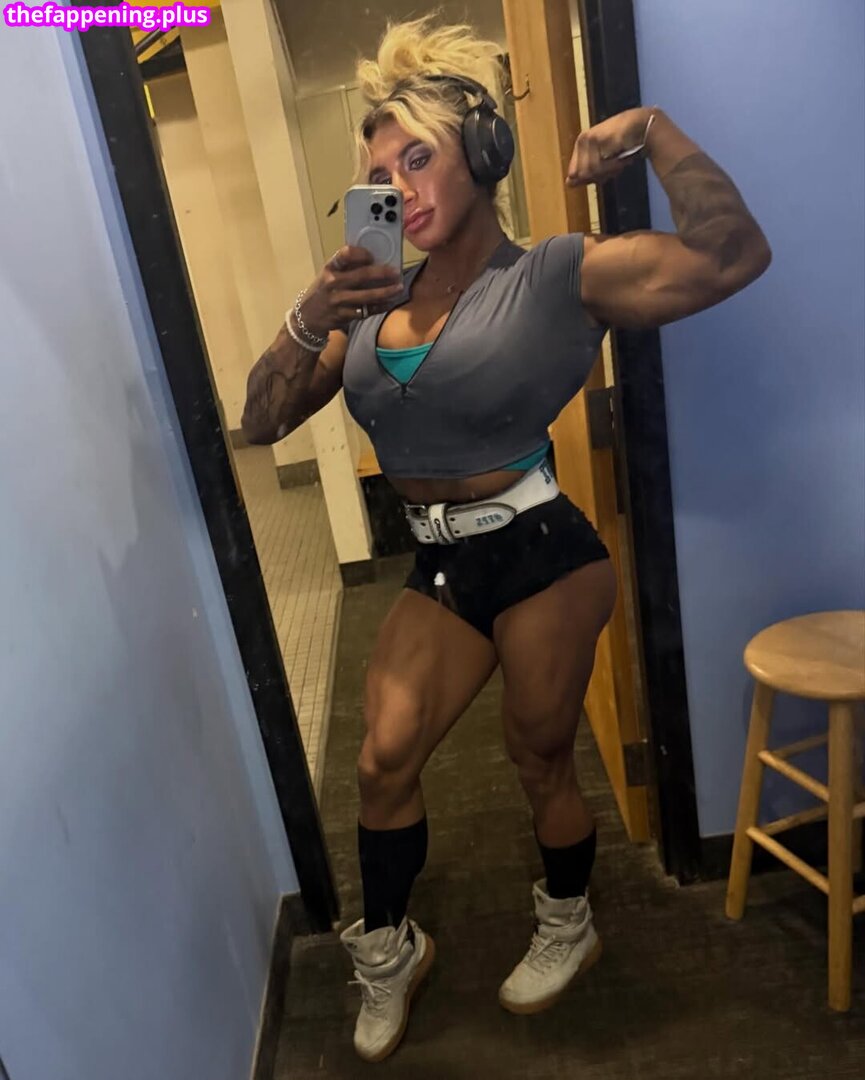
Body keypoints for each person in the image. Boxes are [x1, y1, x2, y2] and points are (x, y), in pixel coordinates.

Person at [241, 14, 771, 1064]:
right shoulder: (370, 294)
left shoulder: (558, 276)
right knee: (381, 760)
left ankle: (566, 921)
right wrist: (311, 311)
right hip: (439, 558)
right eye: (379, 173)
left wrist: (655, 131)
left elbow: (732, 255)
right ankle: (391, 947)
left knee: (536, 755)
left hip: (540, 553)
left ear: (483, 156)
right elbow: (260, 421)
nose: (397, 187)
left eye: (417, 158)